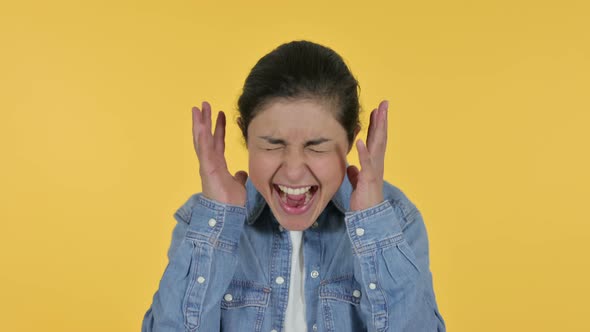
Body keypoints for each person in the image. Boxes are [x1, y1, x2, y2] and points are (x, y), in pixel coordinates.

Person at [142, 40, 445, 332]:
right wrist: (216, 225)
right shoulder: (203, 221)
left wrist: (375, 227)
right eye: (273, 145)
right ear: (245, 137)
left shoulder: (396, 220)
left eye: (317, 147)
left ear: (351, 140)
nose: (294, 171)